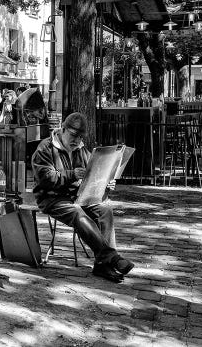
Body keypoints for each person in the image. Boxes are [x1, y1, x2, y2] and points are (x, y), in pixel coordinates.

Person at [31, 112, 134, 283]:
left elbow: (94, 176)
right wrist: (71, 175)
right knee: (77, 213)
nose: (77, 141)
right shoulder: (45, 148)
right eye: (73, 136)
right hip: (52, 198)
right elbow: (45, 178)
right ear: (62, 129)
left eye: (80, 137)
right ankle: (112, 258)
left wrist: (106, 183)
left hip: (77, 196)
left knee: (105, 210)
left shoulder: (82, 150)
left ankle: (103, 265)